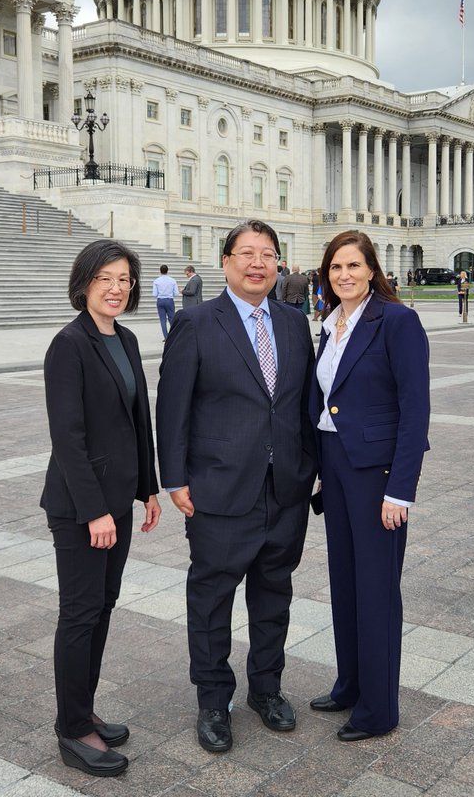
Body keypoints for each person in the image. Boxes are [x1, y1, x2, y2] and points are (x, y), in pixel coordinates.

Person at [156, 220, 316, 755]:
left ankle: (266, 690)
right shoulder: (197, 323)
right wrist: (173, 478)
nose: (257, 263)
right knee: (212, 601)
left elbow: (302, 408)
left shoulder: (294, 324)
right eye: (246, 254)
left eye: (267, 254)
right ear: (224, 262)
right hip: (219, 491)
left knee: (274, 598)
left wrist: (309, 469)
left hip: (283, 491)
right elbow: (173, 406)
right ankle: (213, 700)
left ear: (279, 264)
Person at [40, 240, 161, 779]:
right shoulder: (69, 345)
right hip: (81, 508)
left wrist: (148, 489)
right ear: (84, 282)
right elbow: (67, 438)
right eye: (106, 278)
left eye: (125, 279)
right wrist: (94, 512)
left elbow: (138, 422)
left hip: (118, 502)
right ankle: (71, 728)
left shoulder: (127, 338)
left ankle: (82, 707)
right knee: (81, 612)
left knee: (103, 607)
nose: (117, 288)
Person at [308, 231, 430, 741]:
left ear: (372, 269)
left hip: (376, 473)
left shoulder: (396, 321)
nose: (344, 275)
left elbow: (415, 409)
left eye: (354, 266)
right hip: (335, 466)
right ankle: (351, 683)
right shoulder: (330, 322)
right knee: (345, 582)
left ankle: (379, 708)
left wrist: (400, 491)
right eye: (336, 267)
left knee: (377, 589)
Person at [152, 264, 180, 338]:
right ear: (167, 271)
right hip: (169, 300)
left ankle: (166, 336)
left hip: (160, 300)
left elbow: (154, 294)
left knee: (162, 320)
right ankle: (174, 335)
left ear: (160, 271)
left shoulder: (156, 281)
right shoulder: (172, 280)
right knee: (172, 318)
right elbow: (176, 293)